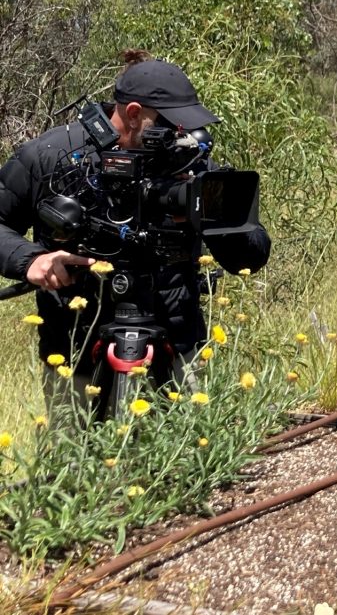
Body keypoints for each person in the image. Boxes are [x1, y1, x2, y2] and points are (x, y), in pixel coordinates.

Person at [0, 54, 272, 416]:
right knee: (77, 455)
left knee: (185, 454)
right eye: (173, 123)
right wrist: (32, 260)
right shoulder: (54, 157)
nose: (182, 133)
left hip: (176, 337)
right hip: (76, 343)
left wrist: (203, 208)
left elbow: (251, 256)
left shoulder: (188, 164)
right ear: (132, 113)